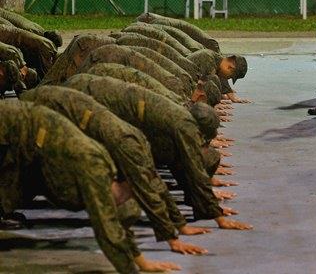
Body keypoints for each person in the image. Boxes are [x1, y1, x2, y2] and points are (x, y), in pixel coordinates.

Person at [20, 86, 210, 255]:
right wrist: (172, 237)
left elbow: (154, 183)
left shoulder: (138, 145)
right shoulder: (129, 147)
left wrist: (179, 225)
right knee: (22, 160)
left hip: (58, 102)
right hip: (46, 105)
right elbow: (148, 191)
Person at [0, 100, 179, 273]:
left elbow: (116, 228)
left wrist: (142, 262)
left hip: (21, 135)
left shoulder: (108, 171)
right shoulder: (96, 172)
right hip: (11, 127)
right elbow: (108, 230)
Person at [62, 74, 253, 231]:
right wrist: (216, 215)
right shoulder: (182, 125)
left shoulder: (180, 118)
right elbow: (192, 168)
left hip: (91, 93)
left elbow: (182, 165)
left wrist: (204, 206)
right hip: (82, 97)